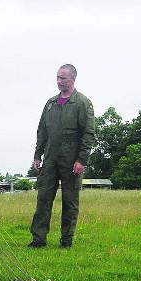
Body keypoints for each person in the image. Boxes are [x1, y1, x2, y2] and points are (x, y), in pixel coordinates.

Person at [28, 64, 95, 249]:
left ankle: (66, 240)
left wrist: (82, 160)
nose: (59, 81)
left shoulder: (82, 102)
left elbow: (88, 133)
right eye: (57, 77)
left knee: (70, 201)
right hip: (50, 159)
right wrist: (37, 155)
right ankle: (38, 239)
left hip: (71, 160)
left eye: (63, 78)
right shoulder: (50, 103)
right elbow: (42, 130)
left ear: (73, 78)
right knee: (43, 199)